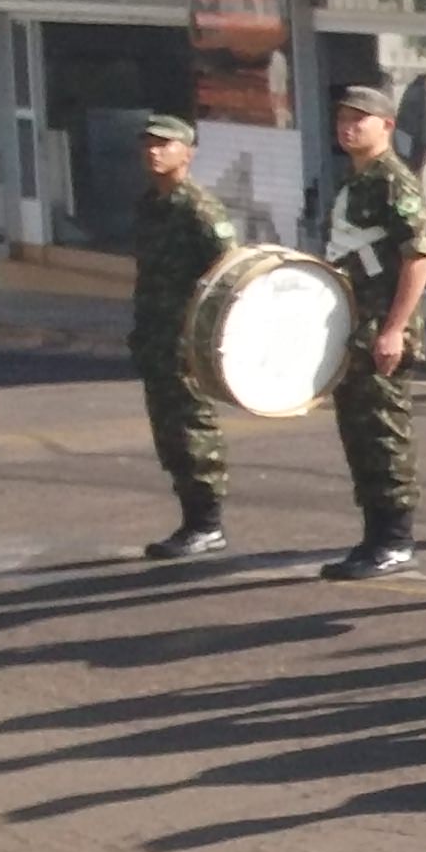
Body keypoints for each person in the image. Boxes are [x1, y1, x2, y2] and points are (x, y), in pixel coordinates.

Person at [317, 83, 426, 580]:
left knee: (385, 435)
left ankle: (395, 540)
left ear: (386, 125)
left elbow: (420, 256)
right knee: (360, 435)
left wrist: (395, 328)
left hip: (381, 330)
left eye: (359, 119)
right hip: (354, 327)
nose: (347, 127)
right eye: (343, 118)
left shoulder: (393, 181)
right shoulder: (356, 180)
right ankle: (374, 535)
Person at [126, 112, 237, 560]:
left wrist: (208, 337)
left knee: (193, 429)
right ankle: (192, 519)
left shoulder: (198, 209)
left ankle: (206, 524)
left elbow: (228, 274)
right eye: (148, 144)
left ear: (187, 153)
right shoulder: (149, 205)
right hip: (156, 337)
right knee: (169, 432)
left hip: (186, 340)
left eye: (164, 144)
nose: (154, 152)